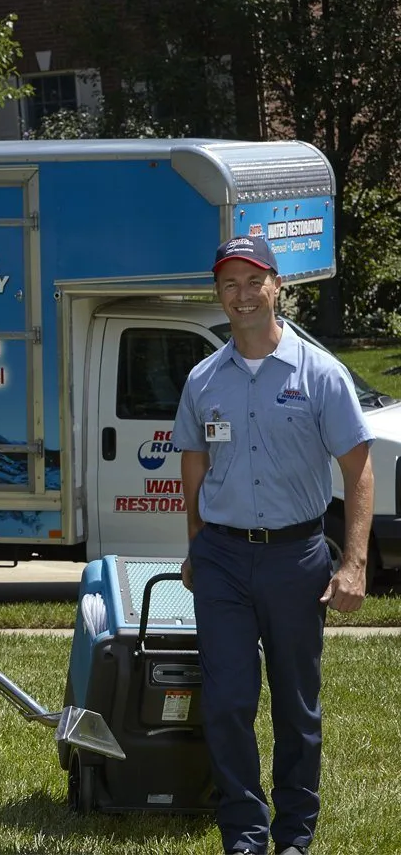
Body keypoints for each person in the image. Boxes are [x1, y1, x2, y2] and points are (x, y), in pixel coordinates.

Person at [173, 235, 374, 855]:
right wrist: (197, 547)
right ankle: (244, 831)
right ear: (218, 293)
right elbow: (193, 466)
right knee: (229, 701)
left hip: (296, 557)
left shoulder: (320, 375)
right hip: (224, 562)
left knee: (295, 707)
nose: (242, 295)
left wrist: (354, 563)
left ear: (277, 287)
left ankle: (293, 834)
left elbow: (358, 468)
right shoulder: (204, 379)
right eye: (229, 284)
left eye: (253, 282)